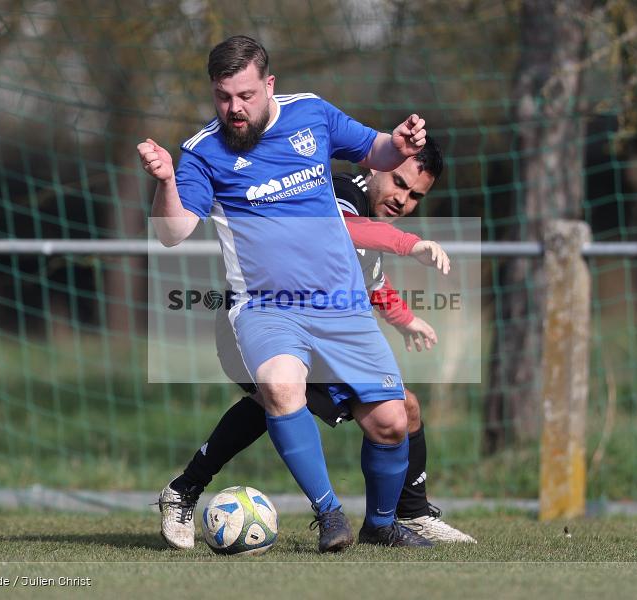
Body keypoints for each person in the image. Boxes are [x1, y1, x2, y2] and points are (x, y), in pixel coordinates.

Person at [138, 35, 432, 551]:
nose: (234, 108)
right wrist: (165, 180)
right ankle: (330, 515)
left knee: (391, 421)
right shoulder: (202, 153)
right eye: (223, 97)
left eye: (246, 95)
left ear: (269, 85)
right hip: (265, 307)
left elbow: (377, 148)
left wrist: (401, 146)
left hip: (341, 304)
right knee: (277, 386)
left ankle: (382, 522)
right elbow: (172, 231)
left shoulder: (312, 114)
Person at [158, 138, 477, 550]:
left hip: (318, 328)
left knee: (391, 409)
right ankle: (365, 517)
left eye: (415, 195)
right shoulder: (344, 192)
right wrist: (409, 243)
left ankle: (184, 488)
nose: (403, 199)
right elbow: (340, 228)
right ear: (378, 165)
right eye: (399, 182)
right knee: (284, 393)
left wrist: (406, 320)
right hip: (260, 319)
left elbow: (371, 279)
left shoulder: (370, 212)